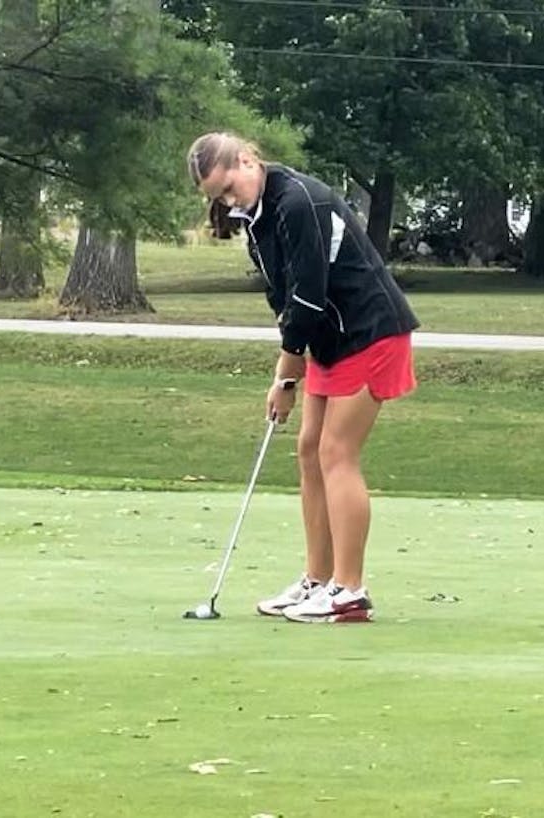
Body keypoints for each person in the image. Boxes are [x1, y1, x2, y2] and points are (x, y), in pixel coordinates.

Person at [186, 132, 420, 623]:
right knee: (310, 450)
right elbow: (284, 297)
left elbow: (309, 296)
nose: (229, 202)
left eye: (230, 188)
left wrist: (284, 375)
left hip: (370, 331)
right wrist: (291, 374)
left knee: (337, 452)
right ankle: (318, 579)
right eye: (220, 198)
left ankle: (350, 590)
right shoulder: (258, 216)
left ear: (247, 160)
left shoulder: (298, 202)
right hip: (330, 341)